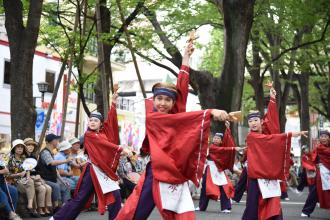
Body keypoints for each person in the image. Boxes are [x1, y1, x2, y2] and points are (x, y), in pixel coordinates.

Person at [116, 42, 229, 220]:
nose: (162, 103)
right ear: (153, 100)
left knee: (181, 212)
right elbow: (181, 119)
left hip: (176, 171)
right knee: (136, 210)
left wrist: (185, 59)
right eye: (159, 98)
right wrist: (210, 112)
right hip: (157, 171)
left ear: (173, 103)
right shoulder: (155, 118)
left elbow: (182, 88)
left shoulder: (174, 114)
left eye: (167, 100)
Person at [51, 92, 130, 220]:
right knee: (80, 199)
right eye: (91, 120)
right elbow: (104, 144)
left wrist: (114, 103)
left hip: (102, 171)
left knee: (115, 197)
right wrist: (120, 149)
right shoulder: (89, 135)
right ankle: (57, 218)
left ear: (100, 124)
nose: (92, 122)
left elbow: (111, 122)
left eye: (95, 120)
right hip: (93, 170)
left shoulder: (103, 133)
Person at [242, 83, 308, 220]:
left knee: (274, 206)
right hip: (256, 178)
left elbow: (271, 121)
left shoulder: (265, 132)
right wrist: (290, 135)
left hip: (270, 176)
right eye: (250, 121)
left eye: (256, 120)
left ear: (261, 121)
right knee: (253, 208)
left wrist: (272, 99)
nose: (253, 123)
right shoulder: (251, 137)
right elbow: (271, 139)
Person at [197, 125, 243, 213]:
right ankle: (201, 206)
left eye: (218, 138)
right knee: (205, 188)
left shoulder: (221, 149)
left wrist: (227, 128)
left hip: (219, 170)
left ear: (221, 141)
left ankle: (225, 207)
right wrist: (233, 148)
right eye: (215, 138)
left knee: (224, 187)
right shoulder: (212, 148)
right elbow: (222, 149)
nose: (216, 139)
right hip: (210, 169)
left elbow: (225, 144)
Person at [37, 134, 72, 211]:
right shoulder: (45, 152)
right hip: (44, 178)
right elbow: (52, 163)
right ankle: (57, 206)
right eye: (56, 140)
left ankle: (65, 206)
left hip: (52, 178)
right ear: (49, 142)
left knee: (66, 185)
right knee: (56, 186)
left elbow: (55, 170)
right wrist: (66, 160)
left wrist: (62, 181)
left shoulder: (51, 152)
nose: (57, 142)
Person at [7, 139, 40, 218]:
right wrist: (18, 174)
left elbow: (27, 170)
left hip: (24, 180)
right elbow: (7, 175)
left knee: (30, 182)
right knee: (30, 185)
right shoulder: (10, 159)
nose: (20, 149)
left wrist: (28, 177)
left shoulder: (24, 158)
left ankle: (30, 206)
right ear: (14, 149)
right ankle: (32, 209)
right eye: (18, 147)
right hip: (14, 181)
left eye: (21, 147)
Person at [301, 130, 330, 217]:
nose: (323, 138)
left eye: (325, 136)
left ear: (329, 138)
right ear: (319, 138)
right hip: (321, 175)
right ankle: (306, 211)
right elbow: (311, 158)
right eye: (322, 136)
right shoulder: (318, 148)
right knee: (314, 192)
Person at [24, 137, 52, 216]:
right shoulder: (23, 157)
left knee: (48, 188)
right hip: (27, 179)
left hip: (35, 178)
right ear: (24, 146)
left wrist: (38, 175)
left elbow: (38, 169)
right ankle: (38, 209)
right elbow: (26, 171)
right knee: (42, 188)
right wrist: (35, 176)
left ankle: (45, 207)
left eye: (32, 145)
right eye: (28, 145)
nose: (31, 146)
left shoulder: (33, 157)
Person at [0, 138, 21, 220]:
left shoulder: (1, 156)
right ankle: (11, 214)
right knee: (2, 194)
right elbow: (3, 171)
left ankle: (12, 213)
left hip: (1, 182)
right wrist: (2, 171)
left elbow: (6, 170)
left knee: (13, 191)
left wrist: (4, 167)